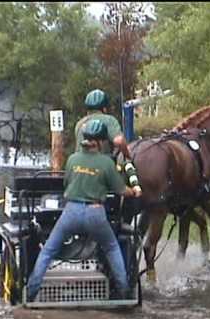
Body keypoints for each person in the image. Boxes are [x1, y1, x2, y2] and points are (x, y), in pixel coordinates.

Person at [27, 119, 142, 302]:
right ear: (101, 141)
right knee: (112, 248)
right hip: (95, 213)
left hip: (71, 211)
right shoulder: (106, 163)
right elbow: (121, 190)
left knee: (48, 251)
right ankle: (123, 292)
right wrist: (134, 191)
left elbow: (67, 183)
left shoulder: (72, 159)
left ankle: (31, 292)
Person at [75, 89, 131, 160]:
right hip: (100, 166)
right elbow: (119, 141)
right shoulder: (109, 120)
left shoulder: (79, 124)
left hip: (78, 166)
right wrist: (128, 156)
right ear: (104, 109)